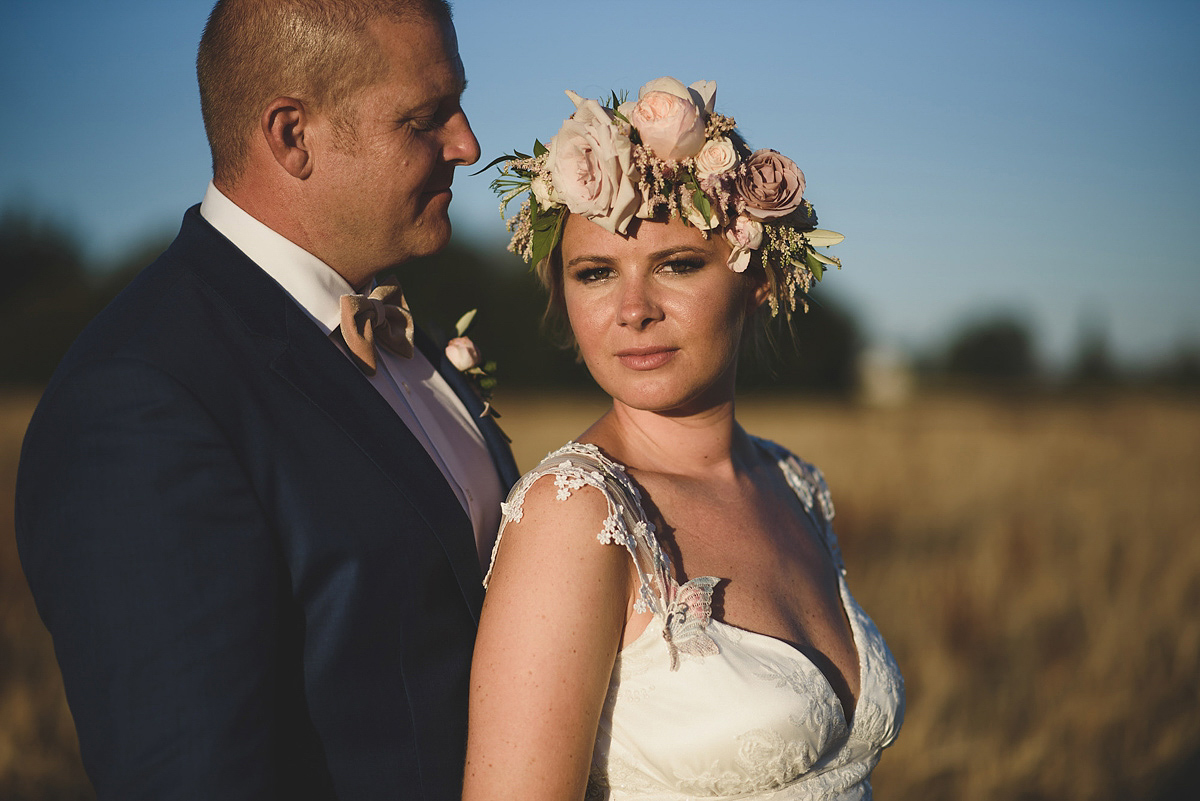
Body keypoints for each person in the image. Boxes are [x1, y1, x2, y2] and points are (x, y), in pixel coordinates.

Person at [15, 0, 517, 798]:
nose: (467, 143)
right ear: (292, 135)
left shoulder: (400, 332)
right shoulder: (140, 401)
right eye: (426, 118)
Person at [463, 78, 904, 800]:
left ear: (756, 273)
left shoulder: (794, 483)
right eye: (596, 273)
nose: (634, 309)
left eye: (677, 264)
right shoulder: (577, 514)